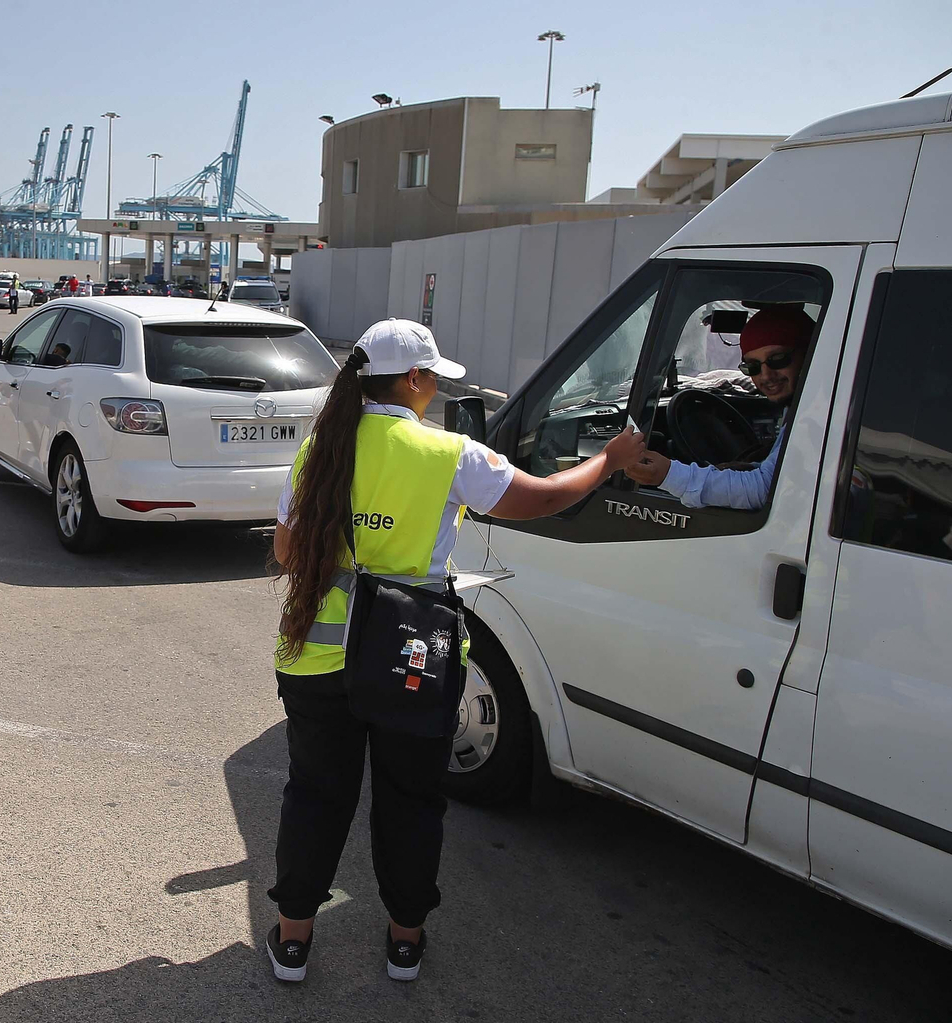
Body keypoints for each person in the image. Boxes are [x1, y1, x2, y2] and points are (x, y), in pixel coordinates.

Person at [266, 318, 645, 984]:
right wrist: (609, 461)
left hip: (317, 661)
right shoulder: (448, 453)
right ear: (413, 378)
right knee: (410, 801)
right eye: (433, 378)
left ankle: (293, 941)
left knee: (316, 797)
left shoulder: (320, 448)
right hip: (410, 658)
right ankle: (404, 944)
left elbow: (287, 551)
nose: (436, 389)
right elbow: (544, 498)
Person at [625, 305, 814, 508]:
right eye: (752, 367)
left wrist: (669, 475)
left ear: (808, 355)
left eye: (778, 360)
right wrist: (750, 466)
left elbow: (767, 489)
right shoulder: (800, 407)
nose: (766, 376)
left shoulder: (817, 415)